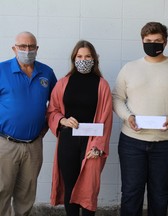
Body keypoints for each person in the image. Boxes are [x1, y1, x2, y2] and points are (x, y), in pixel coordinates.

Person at [112, 22, 168, 216]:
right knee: (130, 192)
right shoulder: (129, 68)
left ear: (165, 42)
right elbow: (116, 98)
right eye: (148, 41)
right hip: (132, 143)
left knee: (159, 193)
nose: (152, 44)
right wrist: (128, 117)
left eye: (157, 41)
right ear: (142, 41)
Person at [47, 40, 113, 216]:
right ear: (74, 59)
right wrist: (62, 120)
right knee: (70, 186)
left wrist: (98, 146)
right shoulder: (63, 83)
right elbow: (52, 110)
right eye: (80, 56)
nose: (83, 59)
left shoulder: (102, 85)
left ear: (94, 59)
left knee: (88, 189)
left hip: (92, 143)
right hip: (68, 141)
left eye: (88, 56)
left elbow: (106, 119)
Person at [0, 31, 57, 216]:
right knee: (2, 191)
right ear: (14, 48)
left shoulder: (46, 72)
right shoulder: (2, 70)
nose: (27, 50)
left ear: (37, 48)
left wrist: (47, 127)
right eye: (22, 46)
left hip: (33, 145)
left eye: (31, 46)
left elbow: (56, 105)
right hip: (5, 144)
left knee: (26, 194)